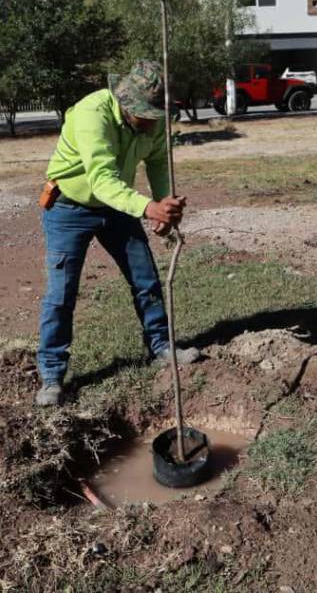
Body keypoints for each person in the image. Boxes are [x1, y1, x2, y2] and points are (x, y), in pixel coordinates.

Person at [35, 60, 200, 407]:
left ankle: (160, 347)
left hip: (117, 206)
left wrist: (162, 202)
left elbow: (156, 160)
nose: (153, 123)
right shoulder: (90, 114)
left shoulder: (153, 121)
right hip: (69, 206)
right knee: (61, 294)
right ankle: (52, 375)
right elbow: (101, 179)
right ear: (126, 104)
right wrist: (146, 207)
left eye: (158, 115)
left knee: (146, 279)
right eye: (147, 114)